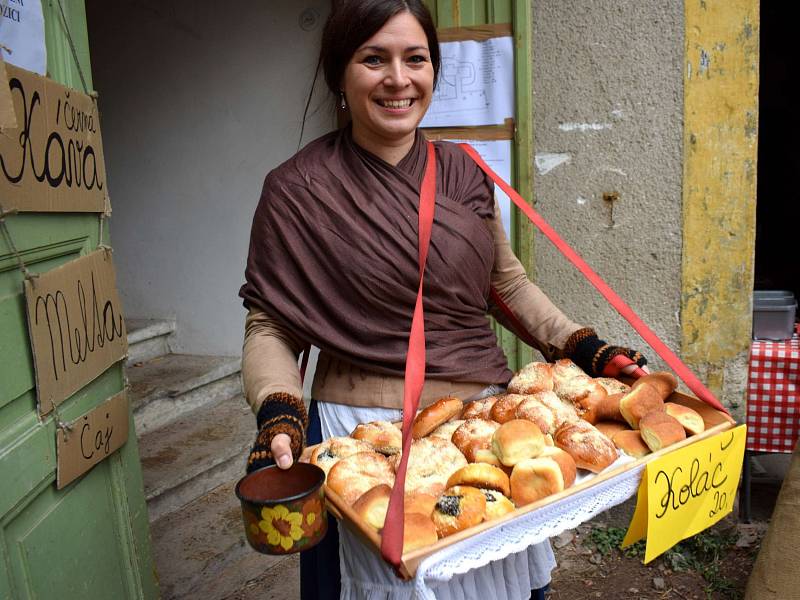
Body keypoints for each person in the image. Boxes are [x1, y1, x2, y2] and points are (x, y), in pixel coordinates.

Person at [238, 1, 647, 598]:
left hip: (480, 430)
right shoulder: (297, 190)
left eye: (416, 59)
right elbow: (270, 324)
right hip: (363, 439)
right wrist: (278, 410)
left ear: (434, 69)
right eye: (373, 59)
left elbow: (505, 284)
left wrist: (586, 346)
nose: (398, 79)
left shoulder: (462, 171)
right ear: (339, 74)